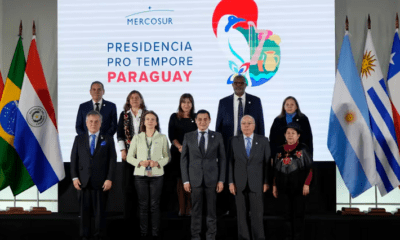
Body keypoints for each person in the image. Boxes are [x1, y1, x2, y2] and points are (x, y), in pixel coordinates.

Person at [215, 75, 265, 215]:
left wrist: (260, 146)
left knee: (248, 176)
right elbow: (218, 126)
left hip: (249, 146)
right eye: (236, 83)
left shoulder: (255, 101)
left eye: (241, 83)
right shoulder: (223, 102)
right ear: (232, 84)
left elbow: (260, 124)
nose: (238, 85)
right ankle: (228, 208)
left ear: (245, 84)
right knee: (228, 175)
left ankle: (249, 209)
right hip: (228, 145)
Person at [71, 110, 117, 240]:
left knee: (99, 214)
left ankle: (99, 236)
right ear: (86, 123)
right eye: (90, 121)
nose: (93, 124)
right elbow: (74, 159)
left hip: (101, 182)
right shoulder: (78, 139)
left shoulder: (108, 139)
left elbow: (112, 161)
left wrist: (109, 179)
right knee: (84, 214)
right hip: (83, 182)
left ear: (100, 123)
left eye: (96, 121)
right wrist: (74, 177)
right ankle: (84, 236)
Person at [181, 110, 226, 240]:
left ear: (210, 120)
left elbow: (222, 159)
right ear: (195, 120)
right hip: (194, 180)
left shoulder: (217, 136)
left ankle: (211, 236)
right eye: (199, 119)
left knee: (212, 211)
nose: (202, 122)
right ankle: (195, 236)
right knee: (195, 211)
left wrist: (221, 180)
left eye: (205, 119)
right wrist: (185, 181)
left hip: (213, 180)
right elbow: (183, 160)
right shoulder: (188, 136)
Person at [126, 110, 170, 240]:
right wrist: (140, 162)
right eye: (147, 119)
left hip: (157, 175)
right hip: (140, 175)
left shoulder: (162, 137)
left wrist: (158, 163)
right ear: (143, 122)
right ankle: (144, 233)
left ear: (156, 122)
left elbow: (167, 157)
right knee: (143, 205)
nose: (150, 121)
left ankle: (155, 233)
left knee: (155, 205)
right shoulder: (137, 137)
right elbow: (129, 157)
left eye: (153, 119)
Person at [228, 115, 271, 240]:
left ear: (254, 125)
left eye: (249, 123)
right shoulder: (233, 140)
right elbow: (230, 162)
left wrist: (266, 182)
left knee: (257, 215)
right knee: (241, 216)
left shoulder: (263, 140)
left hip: (257, 183)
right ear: (240, 126)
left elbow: (267, 163)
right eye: (243, 123)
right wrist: (230, 182)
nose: (246, 125)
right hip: (239, 183)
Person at [272, 122, 313, 240]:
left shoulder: (303, 149)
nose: (290, 135)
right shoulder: (279, 150)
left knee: (298, 216)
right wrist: (274, 186)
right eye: (288, 133)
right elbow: (275, 169)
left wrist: (307, 184)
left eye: (293, 133)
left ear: (298, 135)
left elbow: (310, 167)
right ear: (284, 135)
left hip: (299, 188)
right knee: (286, 216)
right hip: (283, 188)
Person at [116, 90, 147, 220]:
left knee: (143, 188)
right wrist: (123, 150)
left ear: (141, 100)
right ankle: (129, 218)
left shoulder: (147, 114)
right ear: (128, 100)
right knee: (128, 187)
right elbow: (120, 135)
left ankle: (143, 218)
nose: (134, 99)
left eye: (137, 97)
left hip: (144, 157)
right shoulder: (124, 115)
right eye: (132, 98)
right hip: (128, 156)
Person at [167, 93, 197, 216]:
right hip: (177, 153)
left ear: (192, 104)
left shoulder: (196, 117)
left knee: (191, 180)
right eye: (184, 102)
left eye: (189, 102)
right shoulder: (174, 117)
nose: (186, 104)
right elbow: (171, 135)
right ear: (180, 104)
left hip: (193, 154)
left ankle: (190, 208)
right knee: (180, 181)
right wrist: (180, 147)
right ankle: (181, 208)